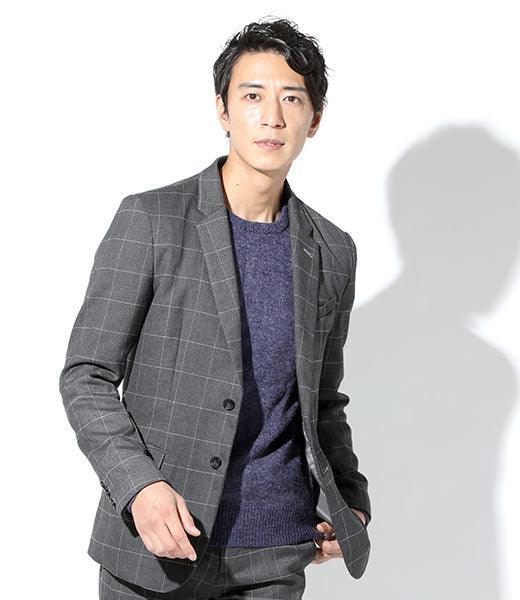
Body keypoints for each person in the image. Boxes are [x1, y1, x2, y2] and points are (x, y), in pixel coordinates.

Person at [58, 17, 371, 600]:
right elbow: (87, 376)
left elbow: (323, 400)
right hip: (158, 547)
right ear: (223, 110)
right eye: (252, 96)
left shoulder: (333, 250)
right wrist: (139, 487)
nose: (272, 117)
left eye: (292, 98)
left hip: (276, 553)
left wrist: (349, 500)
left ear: (315, 119)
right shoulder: (151, 220)